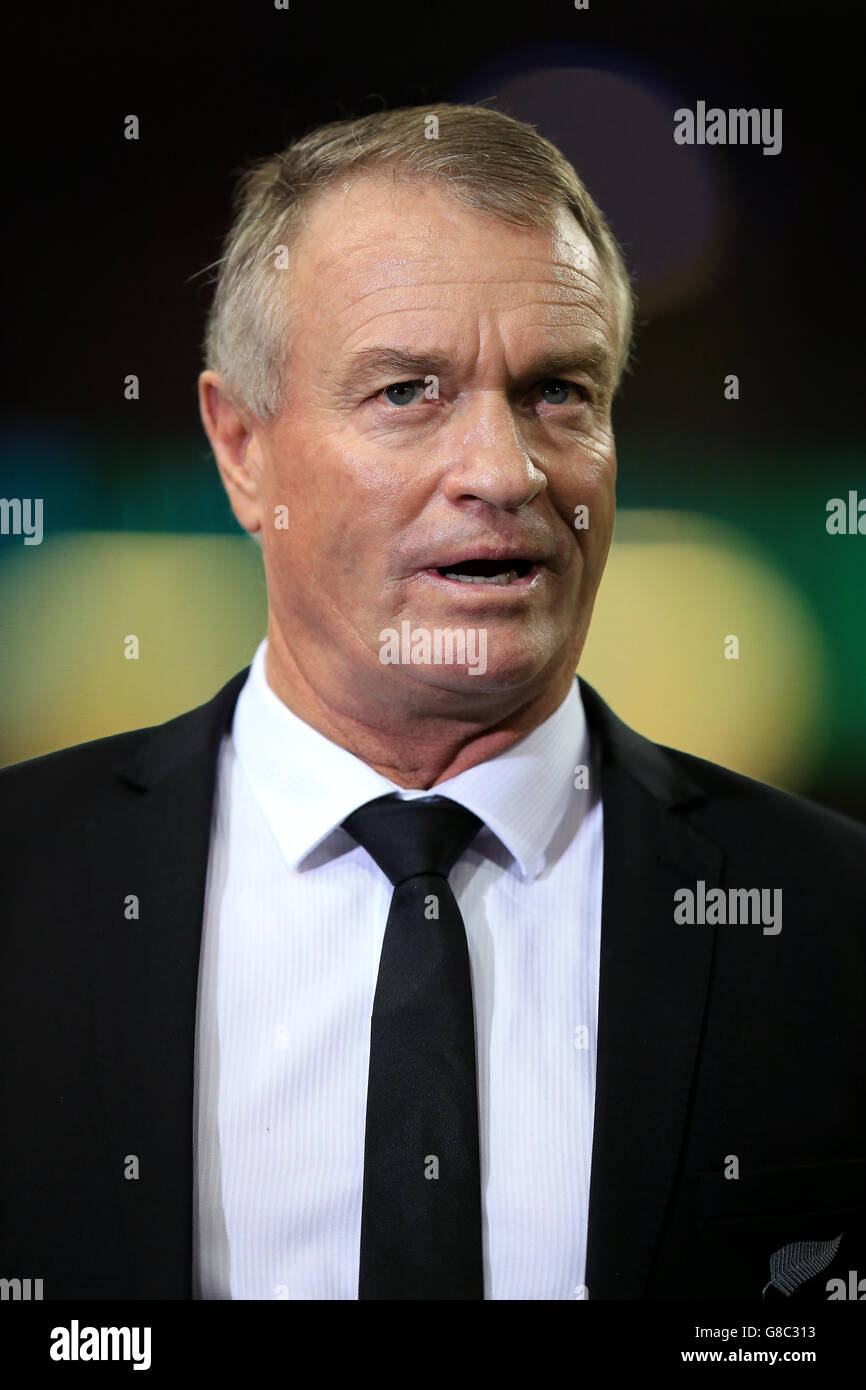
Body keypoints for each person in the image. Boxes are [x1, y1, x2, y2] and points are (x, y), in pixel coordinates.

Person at [1, 103, 864, 1302]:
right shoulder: (23, 883)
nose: (504, 471)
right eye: (409, 390)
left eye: (558, 391)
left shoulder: (831, 920)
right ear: (241, 446)